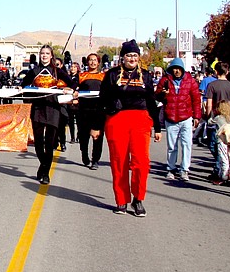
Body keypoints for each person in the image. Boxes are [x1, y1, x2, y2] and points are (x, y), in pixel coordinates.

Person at [99, 40, 161, 217]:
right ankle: (121, 200)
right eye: (129, 55)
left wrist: (157, 127)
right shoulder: (111, 75)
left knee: (141, 162)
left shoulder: (146, 76)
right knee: (119, 162)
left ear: (138, 58)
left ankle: (138, 198)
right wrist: (97, 126)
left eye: (135, 55)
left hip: (140, 120)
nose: (132, 58)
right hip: (117, 120)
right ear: (122, 57)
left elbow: (151, 102)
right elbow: (102, 101)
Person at [21, 47, 75, 184]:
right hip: (38, 109)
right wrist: (23, 90)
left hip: (53, 109)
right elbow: (23, 85)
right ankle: (43, 165)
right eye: (42, 53)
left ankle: (45, 173)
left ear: (51, 56)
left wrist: (69, 90)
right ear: (39, 56)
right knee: (39, 143)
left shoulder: (57, 71)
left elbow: (73, 83)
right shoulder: (34, 71)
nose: (44, 56)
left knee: (50, 144)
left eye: (47, 53)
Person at [155, 58, 201, 182]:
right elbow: (157, 96)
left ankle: (184, 170)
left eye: (178, 68)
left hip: (186, 117)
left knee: (187, 145)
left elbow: (196, 99)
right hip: (170, 117)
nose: (176, 71)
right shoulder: (165, 80)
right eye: (174, 68)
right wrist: (163, 93)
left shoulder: (190, 81)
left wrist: (197, 116)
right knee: (172, 146)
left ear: (182, 69)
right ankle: (171, 169)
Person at [204, 62, 230, 182]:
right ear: (227, 72)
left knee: (213, 144)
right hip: (229, 118)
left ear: (216, 71)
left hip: (216, 118)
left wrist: (208, 117)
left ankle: (220, 169)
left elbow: (209, 104)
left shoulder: (212, 85)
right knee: (224, 145)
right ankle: (221, 168)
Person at [76, 53, 105, 170]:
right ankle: (84, 155)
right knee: (83, 137)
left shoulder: (104, 76)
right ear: (87, 62)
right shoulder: (81, 76)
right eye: (90, 60)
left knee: (98, 137)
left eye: (95, 60)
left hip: (98, 110)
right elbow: (73, 88)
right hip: (83, 110)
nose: (92, 62)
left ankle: (95, 160)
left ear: (98, 63)